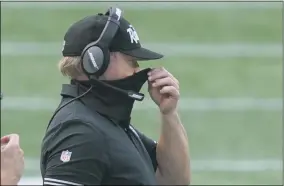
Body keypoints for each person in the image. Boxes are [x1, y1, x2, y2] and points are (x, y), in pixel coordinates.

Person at [40, 7, 190, 185]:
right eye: (131, 61)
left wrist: (169, 114)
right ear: (96, 62)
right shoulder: (80, 133)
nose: (138, 71)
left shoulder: (109, 122)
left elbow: (174, 181)